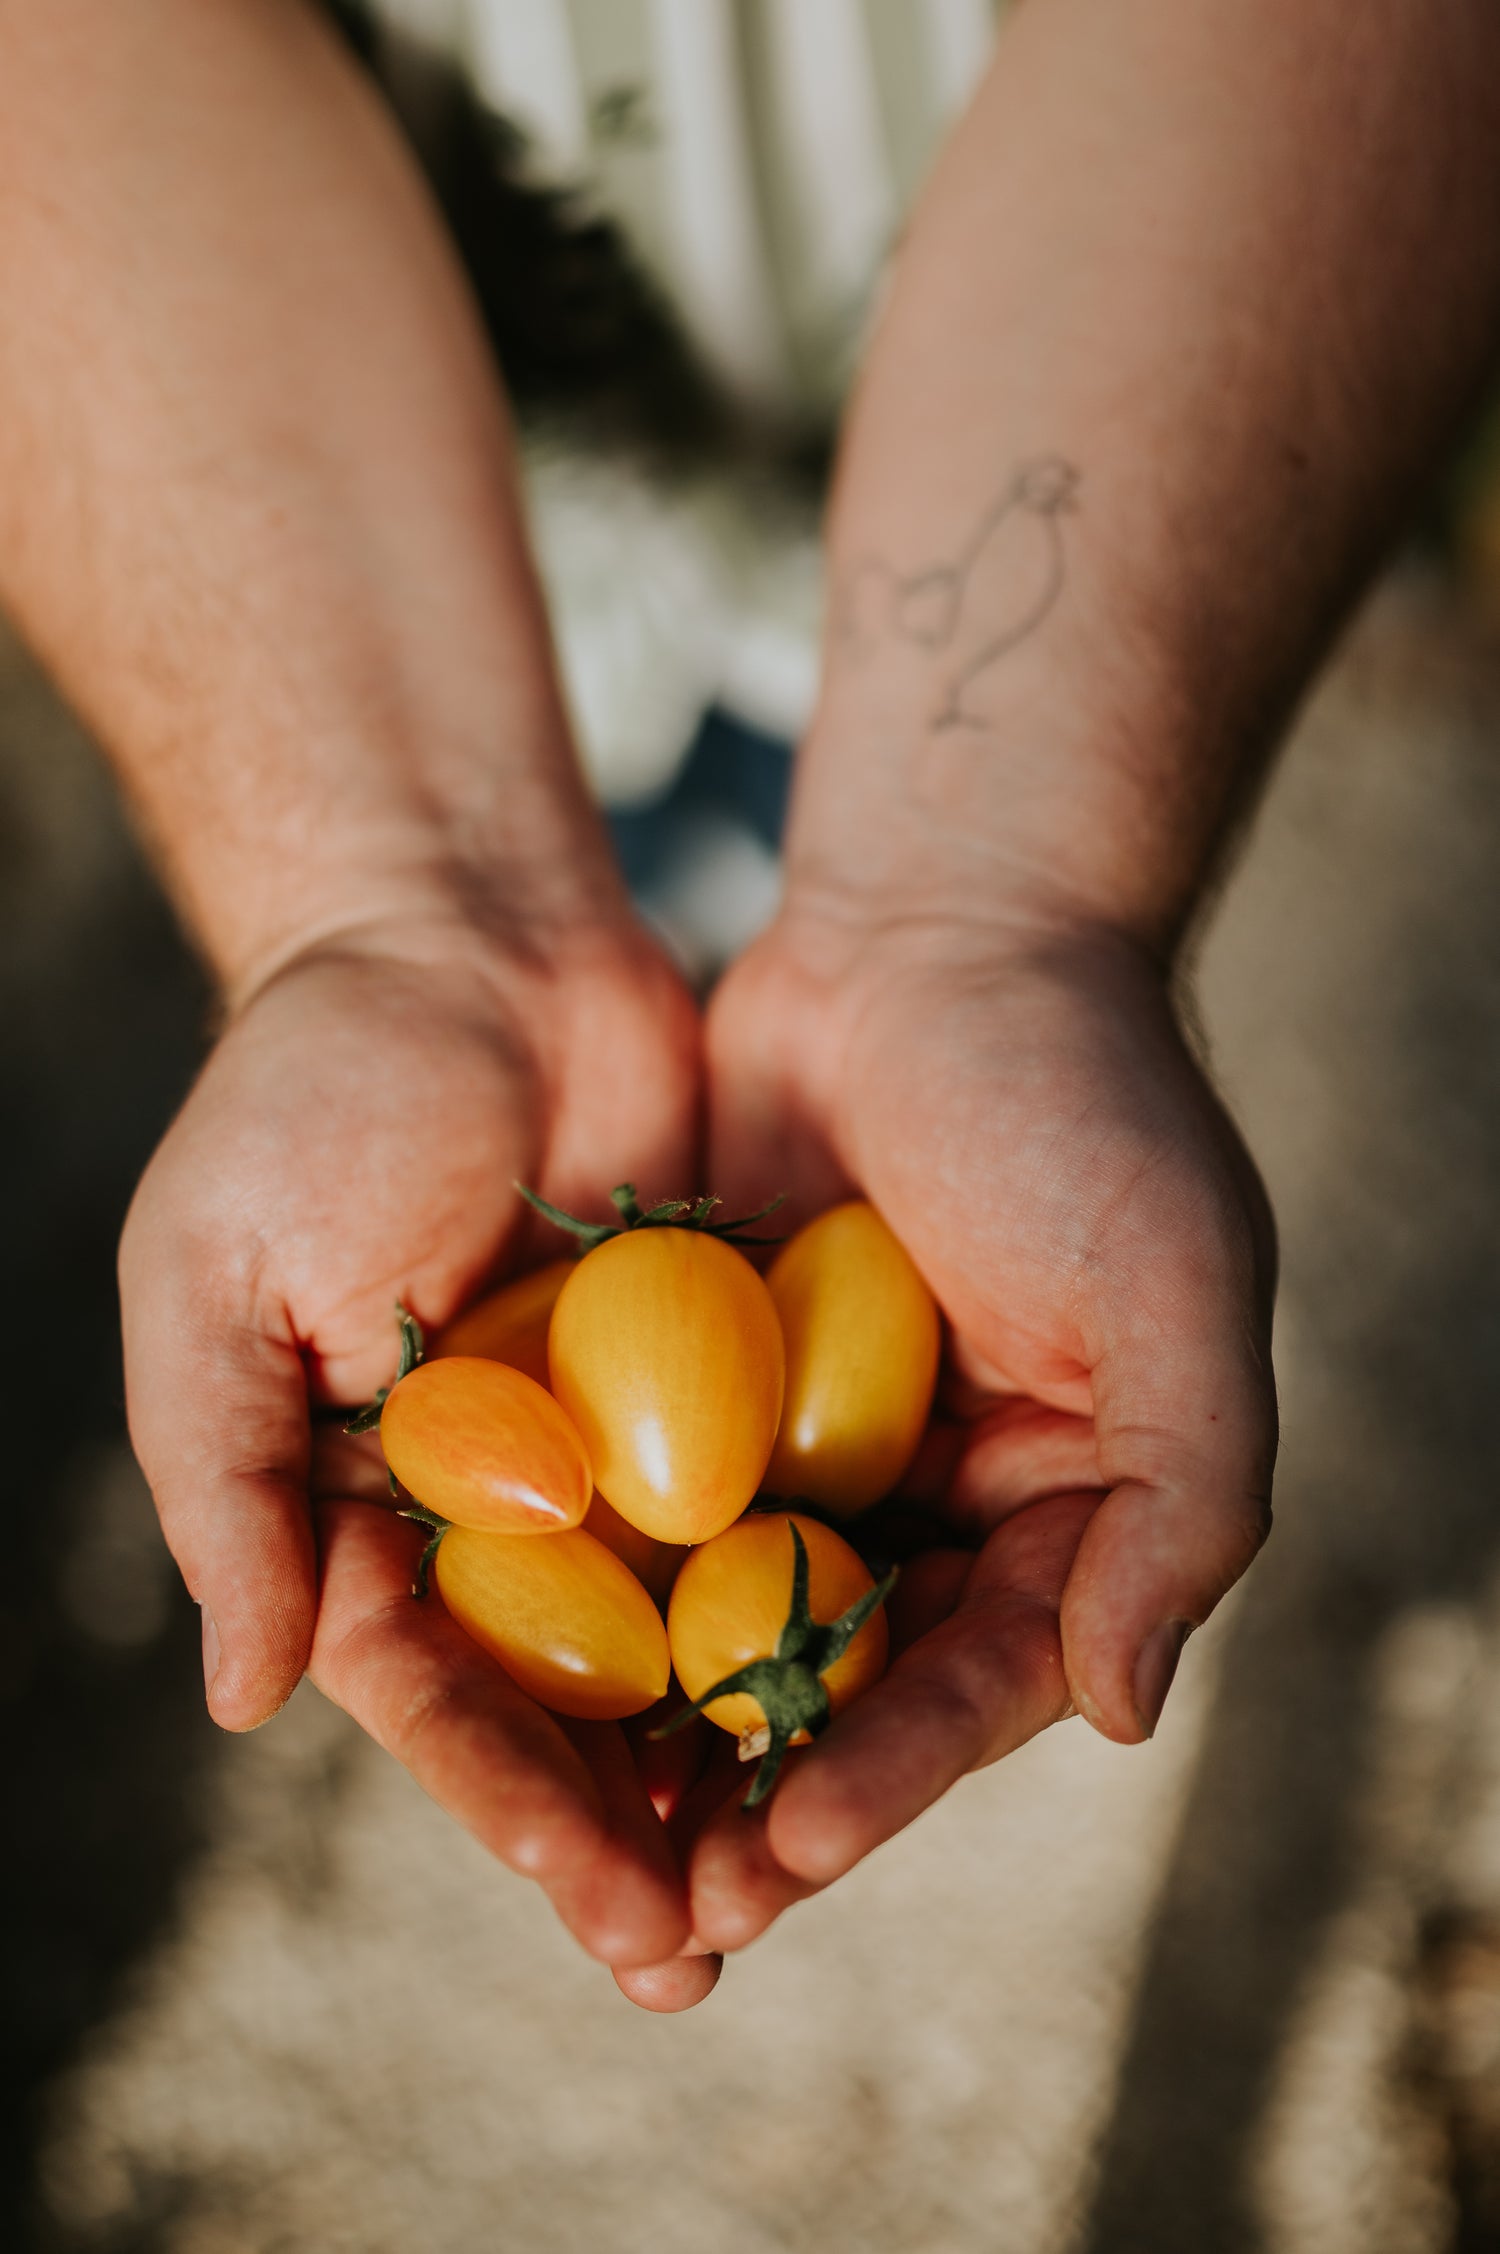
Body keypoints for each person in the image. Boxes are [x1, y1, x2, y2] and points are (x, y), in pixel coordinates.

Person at [3, 0, 1497, 2018]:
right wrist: (377, 886)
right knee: (677, 959)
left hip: (1116, 388)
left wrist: (995, 889)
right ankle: (685, 905)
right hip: (340, 468)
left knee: (739, 957)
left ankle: (759, 902)